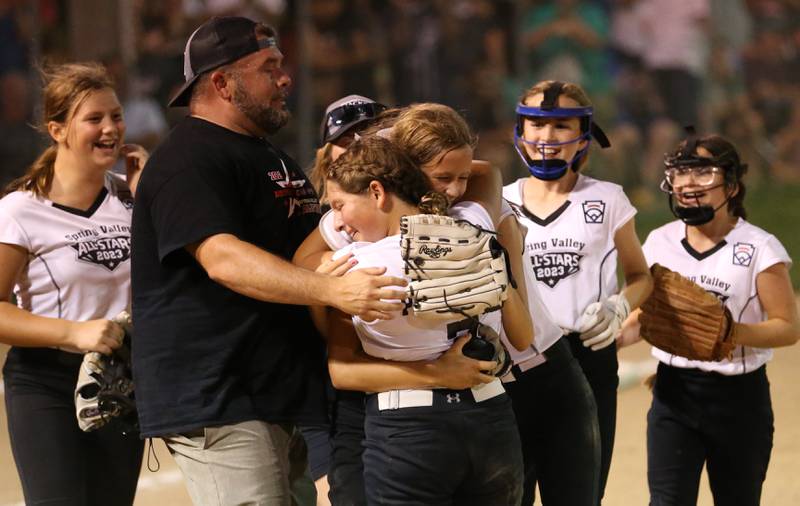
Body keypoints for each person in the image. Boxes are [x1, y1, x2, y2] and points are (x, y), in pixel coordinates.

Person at [130, 16, 408, 506]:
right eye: (269, 67)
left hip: (274, 394)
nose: (286, 78)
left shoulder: (265, 155)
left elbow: (313, 247)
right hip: (222, 399)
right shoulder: (189, 158)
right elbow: (222, 258)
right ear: (221, 82)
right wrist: (332, 290)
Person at [294, 101, 539, 505]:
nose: (338, 220)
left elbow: (342, 370)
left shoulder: (353, 266)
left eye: (338, 206)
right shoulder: (476, 226)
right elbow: (522, 334)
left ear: (377, 190)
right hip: (492, 414)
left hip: (408, 427)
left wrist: (437, 372)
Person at [619, 132, 800, 506]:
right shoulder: (659, 241)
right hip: (674, 393)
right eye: (680, 174)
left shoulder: (759, 249)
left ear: (731, 186)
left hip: (739, 400)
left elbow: (788, 326)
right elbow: (646, 316)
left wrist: (731, 333)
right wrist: (611, 333)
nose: (688, 184)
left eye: (702, 174)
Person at [0, 62, 147, 505]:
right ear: (57, 129)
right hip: (44, 382)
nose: (111, 129)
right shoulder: (20, 210)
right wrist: (73, 332)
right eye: (94, 119)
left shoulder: (130, 196)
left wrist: (151, 198)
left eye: (116, 116)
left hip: (118, 379)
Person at [504, 79, 653, 505]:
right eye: (535, 124)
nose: (545, 138)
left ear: (583, 134)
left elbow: (641, 275)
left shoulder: (607, 199)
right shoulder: (499, 201)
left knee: (579, 494)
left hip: (588, 356)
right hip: (518, 359)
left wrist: (619, 304)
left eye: (559, 126)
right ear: (521, 130)